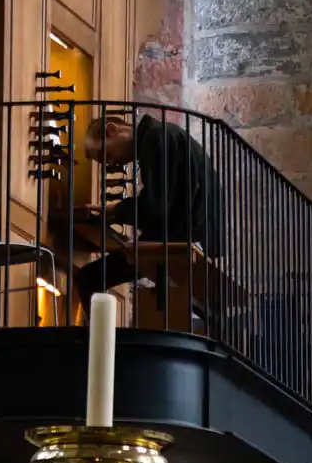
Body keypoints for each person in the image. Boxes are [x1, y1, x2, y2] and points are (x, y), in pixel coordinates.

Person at [75, 108, 223, 314]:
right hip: (199, 234)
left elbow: (155, 206)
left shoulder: (155, 138)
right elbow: (164, 201)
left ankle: (99, 343)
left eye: (105, 154)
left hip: (179, 237)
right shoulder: (164, 134)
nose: (110, 164)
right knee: (103, 272)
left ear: (112, 130)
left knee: (88, 278)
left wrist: (117, 210)